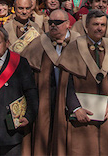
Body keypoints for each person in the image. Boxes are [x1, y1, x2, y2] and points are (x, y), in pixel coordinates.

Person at [53, 9, 108, 155]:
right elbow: (66, 85)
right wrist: (76, 108)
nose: (99, 28)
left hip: (106, 118)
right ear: (86, 26)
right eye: (95, 24)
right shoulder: (73, 48)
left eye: (103, 25)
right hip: (80, 120)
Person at [21, 9, 74, 155]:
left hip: (70, 98)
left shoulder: (78, 42)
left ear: (68, 24)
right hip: (46, 96)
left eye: (58, 23)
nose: (53, 26)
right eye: (50, 23)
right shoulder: (39, 42)